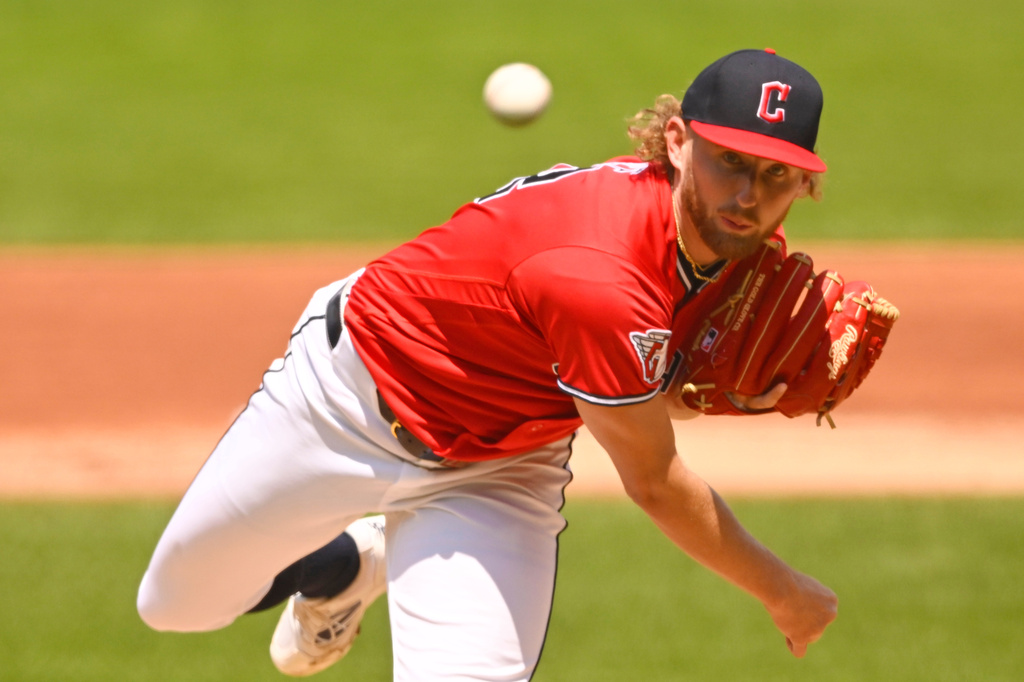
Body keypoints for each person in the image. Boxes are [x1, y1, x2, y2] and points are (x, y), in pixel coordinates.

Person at [138, 48, 838, 680]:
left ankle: (374, 553)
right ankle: (352, 564)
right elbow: (654, 482)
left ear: (803, 185)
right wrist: (783, 591)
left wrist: (706, 388)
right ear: (680, 144)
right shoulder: (598, 271)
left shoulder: (738, 266)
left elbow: (636, 383)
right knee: (177, 606)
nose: (749, 196)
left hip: (501, 467)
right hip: (346, 403)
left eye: (778, 175)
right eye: (731, 162)